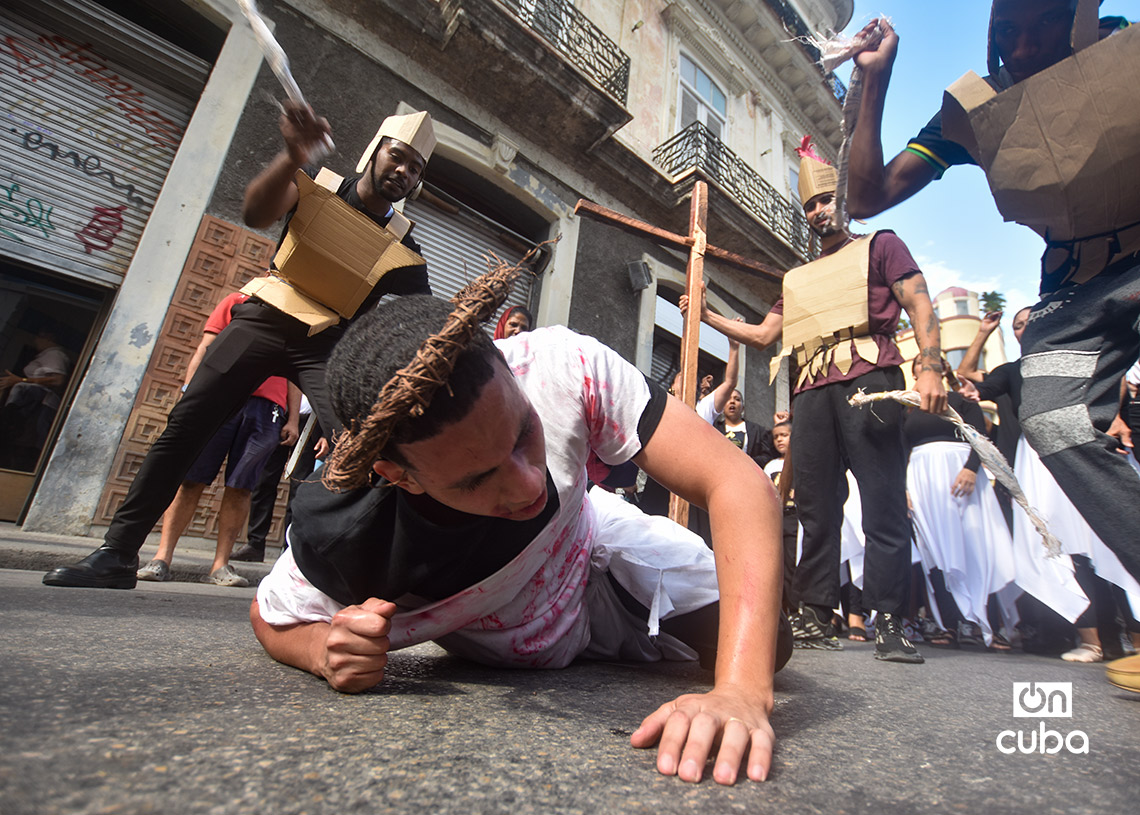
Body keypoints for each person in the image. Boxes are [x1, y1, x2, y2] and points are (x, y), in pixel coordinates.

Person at [250, 266, 792, 785]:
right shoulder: (351, 536)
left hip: (596, 546)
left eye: (522, 434)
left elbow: (738, 482)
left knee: (769, 646)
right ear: (399, 476)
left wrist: (741, 692)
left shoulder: (561, 366)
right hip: (511, 642)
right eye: (475, 480)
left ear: (511, 370)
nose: (531, 486)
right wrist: (324, 650)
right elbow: (269, 614)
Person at [44, 104, 436, 590]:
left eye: (415, 167)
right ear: (375, 152)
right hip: (265, 316)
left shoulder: (403, 243)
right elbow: (254, 211)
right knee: (186, 426)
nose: (403, 170)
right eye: (397, 157)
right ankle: (119, 552)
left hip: (331, 343)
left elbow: (423, 315)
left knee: (364, 446)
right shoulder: (315, 183)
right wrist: (293, 153)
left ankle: (357, 578)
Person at [844, 1, 1140, 588]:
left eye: (1046, 24)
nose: (1025, 48)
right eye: (1009, 32)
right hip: (1076, 289)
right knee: (1054, 419)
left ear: (1081, 16)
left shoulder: (1123, 49)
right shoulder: (980, 109)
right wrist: (877, 78)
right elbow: (866, 198)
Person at [683, 141, 945, 663]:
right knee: (817, 507)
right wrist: (708, 315)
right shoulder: (796, 278)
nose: (819, 210)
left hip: (871, 378)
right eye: (810, 204)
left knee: (883, 500)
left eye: (827, 199)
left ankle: (890, 618)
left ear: (845, 202)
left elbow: (917, 298)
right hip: (810, 393)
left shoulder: (881, 244)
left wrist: (931, 362)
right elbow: (763, 335)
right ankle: (817, 613)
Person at [134, 292, 300, 585]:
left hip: (267, 408)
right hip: (219, 395)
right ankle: (161, 557)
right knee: (190, 479)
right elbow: (207, 346)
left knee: (241, 486)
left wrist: (293, 418)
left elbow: (294, 372)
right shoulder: (239, 301)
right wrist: (189, 390)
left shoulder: (300, 314)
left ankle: (220, 566)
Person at [904, 357, 1015, 649]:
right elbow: (901, 448)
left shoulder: (961, 400)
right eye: (921, 363)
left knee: (977, 544)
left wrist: (971, 468)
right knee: (936, 550)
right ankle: (948, 623)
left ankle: (989, 624)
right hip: (921, 479)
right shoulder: (907, 406)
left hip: (962, 472)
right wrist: (903, 487)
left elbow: (979, 436)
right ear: (915, 371)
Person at [0, 325, 71, 471]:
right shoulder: (45, 356)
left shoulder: (55, 355)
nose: (36, 340)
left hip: (40, 406)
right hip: (28, 404)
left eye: (39, 337)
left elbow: (58, 380)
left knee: (27, 444)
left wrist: (22, 381)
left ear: (49, 338)